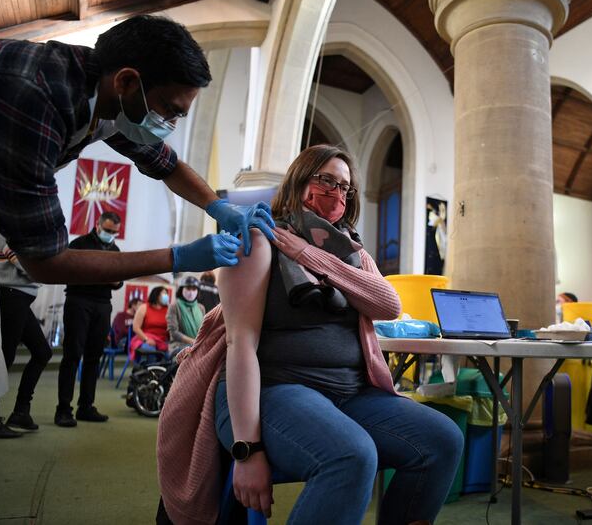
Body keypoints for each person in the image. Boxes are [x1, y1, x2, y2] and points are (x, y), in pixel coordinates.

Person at [157, 145, 463, 525]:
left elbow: (388, 304)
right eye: (326, 181)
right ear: (301, 180)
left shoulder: (350, 250)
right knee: (352, 455)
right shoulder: (260, 239)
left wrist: (308, 254)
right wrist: (248, 450)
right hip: (274, 389)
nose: (337, 194)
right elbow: (240, 347)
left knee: (443, 440)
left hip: (349, 393)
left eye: (345, 188)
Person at [0, 15, 275, 406]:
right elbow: (45, 262)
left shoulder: (111, 101)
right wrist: (177, 257)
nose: (171, 123)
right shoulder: (35, 94)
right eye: (170, 110)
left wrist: (219, 206)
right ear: (126, 81)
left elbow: (167, 165)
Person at [55, 212, 124, 427]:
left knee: (94, 357)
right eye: (108, 230)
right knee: (72, 355)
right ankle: (64, 409)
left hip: (103, 304)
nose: (110, 234)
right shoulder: (79, 244)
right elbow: (64, 271)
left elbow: (120, 280)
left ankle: (86, 406)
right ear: (98, 225)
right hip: (79, 300)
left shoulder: (115, 250)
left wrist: (115, 281)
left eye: (114, 232)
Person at [0, 232, 53, 438]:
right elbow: (28, 267)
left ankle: (20, 412)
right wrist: (49, 270)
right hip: (10, 295)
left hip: (20, 298)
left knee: (42, 352)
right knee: (3, 357)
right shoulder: (5, 232)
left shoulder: (19, 232)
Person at [166, 276, 205, 355]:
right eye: (188, 288)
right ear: (181, 289)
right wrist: (193, 342)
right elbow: (174, 332)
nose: (191, 292)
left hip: (197, 345)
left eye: (194, 289)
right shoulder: (174, 306)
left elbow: (204, 329)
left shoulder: (201, 308)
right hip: (178, 346)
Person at [130, 286, 171, 357]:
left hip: (163, 341)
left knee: (172, 355)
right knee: (150, 350)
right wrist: (146, 339)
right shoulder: (144, 307)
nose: (166, 296)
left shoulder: (169, 310)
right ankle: (150, 368)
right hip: (145, 338)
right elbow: (135, 328)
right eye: (164, 294)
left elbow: (172, 329)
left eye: (166, 294)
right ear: (156, 295)